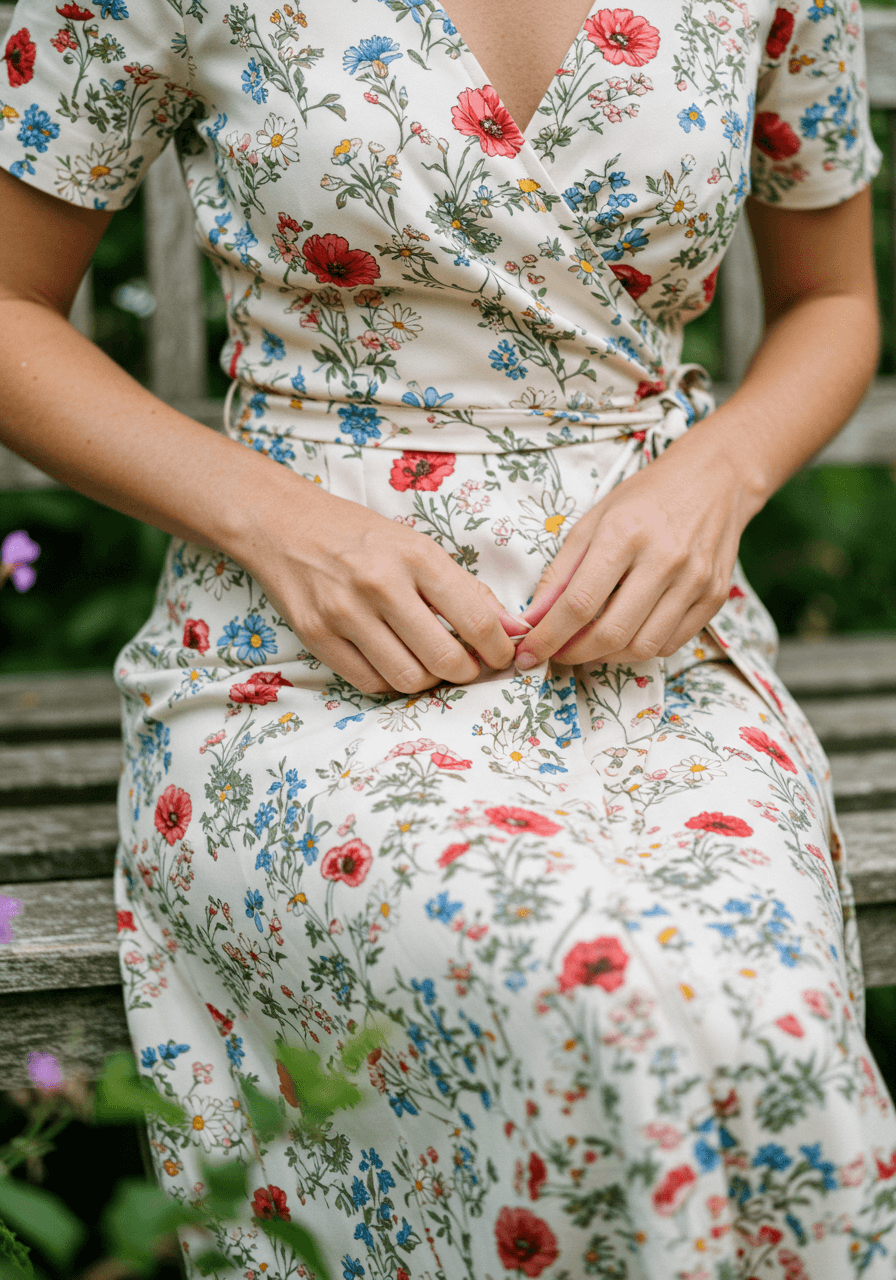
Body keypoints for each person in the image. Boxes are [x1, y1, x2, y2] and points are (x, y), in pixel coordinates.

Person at [0, 0, 894, 1273]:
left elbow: (833, 298)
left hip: (650, 664)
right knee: (587, 985)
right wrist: (278, 525)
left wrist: (719, 476)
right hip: (301, 668)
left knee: (771, 1018)